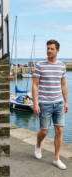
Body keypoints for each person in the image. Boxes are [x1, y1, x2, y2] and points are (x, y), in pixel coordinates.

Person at [32, 40, 68, 170]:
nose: (49, 51)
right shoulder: (40, 65)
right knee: (45, 130)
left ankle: (56, 159)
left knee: (59, 130)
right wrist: (35, 103)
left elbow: (63, 85)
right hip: (44, 103)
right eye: (48, 48)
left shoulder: (62, 66)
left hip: (58, 103)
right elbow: (35, 85)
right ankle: (38, 144)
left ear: (57, 50)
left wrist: (66, 102)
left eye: (52, 49)